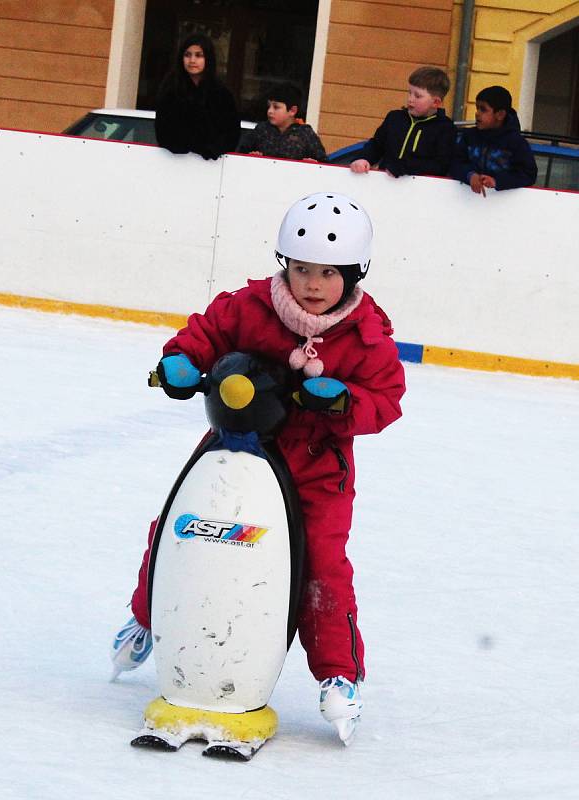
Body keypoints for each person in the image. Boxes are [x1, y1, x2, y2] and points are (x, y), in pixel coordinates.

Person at [111, 193, 405, 745]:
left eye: (327, 273)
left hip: (317, 466)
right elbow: (202, 337)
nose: (311, 284)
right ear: (283, 265)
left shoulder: (365, 336)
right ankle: (148, 618)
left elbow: (386, 399)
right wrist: (180, 362)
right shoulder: (249, 307)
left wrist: (343, 401)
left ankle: (339, 673)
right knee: (178, 529)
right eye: (300, 270)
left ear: (353, 273)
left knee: (321, 564)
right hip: (235, 446)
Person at [350, 65, 455, 178]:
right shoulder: (394, 118)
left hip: (421, 190)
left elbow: (441, 165)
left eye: (418, 96)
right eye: (409, 92)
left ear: (436, 103)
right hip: (384, 184)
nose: (410, 99)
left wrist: (404, 167)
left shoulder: (445, 128)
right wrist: (363, 158)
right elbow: (376, 145)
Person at [154, 33, 241, 160]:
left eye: (199, 55)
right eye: (187, 55)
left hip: (211, 166)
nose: (192, 60)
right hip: (174, 162)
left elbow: (231, 133)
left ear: (208, 58)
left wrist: (213, 150)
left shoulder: (221, 93)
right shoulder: (170, 90)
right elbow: (163, 129)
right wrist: (180, 147)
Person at [449, 85, 537, 195]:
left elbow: (528, 175)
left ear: (500, 115)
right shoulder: (469, 136)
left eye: (483, 109)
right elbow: (454, 162)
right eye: (477, 108)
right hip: (467, 200)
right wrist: (470, 175)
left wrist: (497, 181)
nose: (477, 113)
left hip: (503, 204)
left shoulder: (516, 143)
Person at [238, 82, 326, 162]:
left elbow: (323, 163)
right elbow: (239, 155)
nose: (270, 111)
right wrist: (249, 157)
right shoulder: (261, 130)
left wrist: (314, 163)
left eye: (276, 107)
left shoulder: (306, 133)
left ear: (292, 111)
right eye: (269, 106)